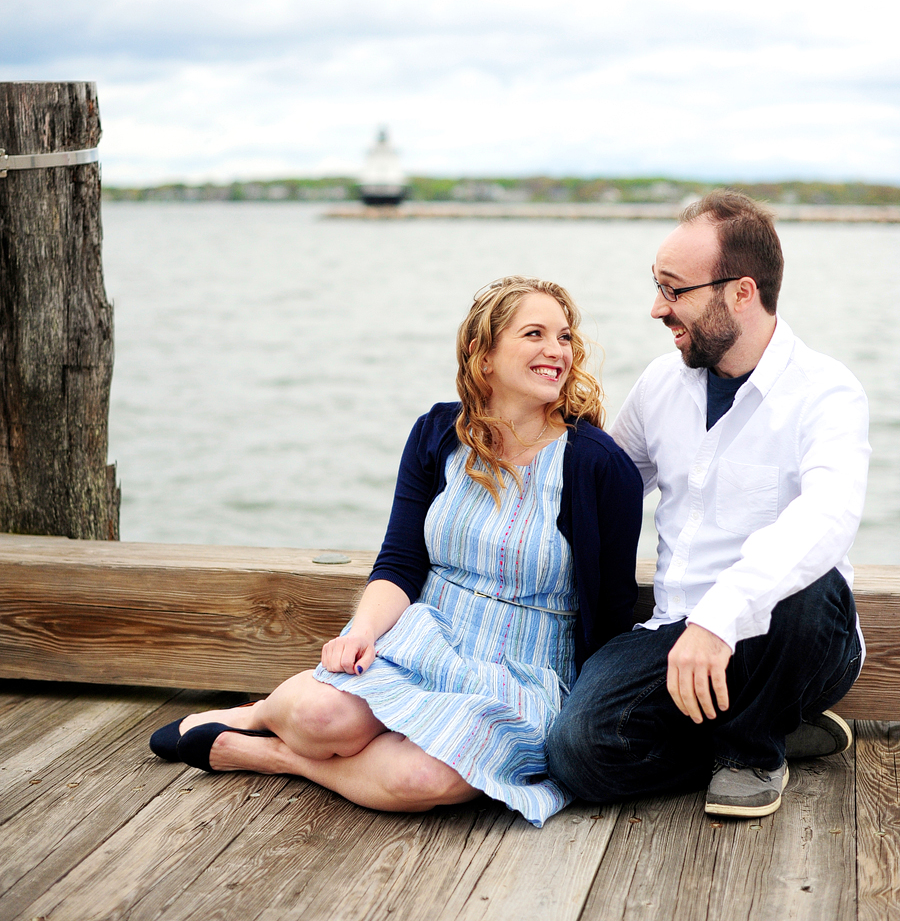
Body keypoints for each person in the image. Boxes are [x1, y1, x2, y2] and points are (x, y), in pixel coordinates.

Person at [150, 276, 643, 827]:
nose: (557, 351)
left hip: (523, 671)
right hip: (426, 636)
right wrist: (360, 633)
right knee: (318, 717)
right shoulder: (438, 433)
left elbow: (612, 611)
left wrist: (587, 721)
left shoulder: (599, 465)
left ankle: (275, 756)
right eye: (535, 334)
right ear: (484, 354)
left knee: (420, 779)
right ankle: (259, 714)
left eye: (565, 337)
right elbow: (401, 563)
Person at [547, 191, 870, 820]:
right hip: (676, 629)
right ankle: (766, 729)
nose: (656, 309)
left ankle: (754, 751)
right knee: (576, 752)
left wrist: (721, 618)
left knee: (814, 583)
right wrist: (507, 431)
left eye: (674, 291)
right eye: (657, 287)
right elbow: (603, 493)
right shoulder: (660, 383)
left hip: (791, 636)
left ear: (741, 293)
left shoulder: (827, 391)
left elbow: (826, 518)